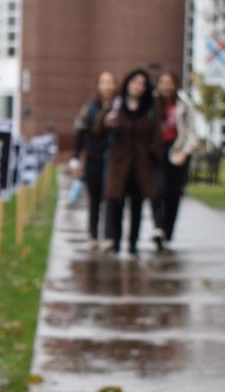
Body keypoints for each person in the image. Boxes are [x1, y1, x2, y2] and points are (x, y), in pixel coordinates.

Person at [101, 69, 163, 256]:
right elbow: (98, 130)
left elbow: (156, 136)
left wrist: (153, 156)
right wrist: (107, 121)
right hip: (119, 165)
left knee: (136, 206)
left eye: (142, 84)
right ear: (128, 83)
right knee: (116, 203)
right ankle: (115, 241)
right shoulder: (116, 106)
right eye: (135, 82)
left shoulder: (150, 110)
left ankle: (133, 243)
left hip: (141, 165)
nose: (138, 87)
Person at [150, 70, 199, 250]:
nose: (166, 86)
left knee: (173, 195)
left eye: (169, 82)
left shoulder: (184, 102)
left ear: (175, 84)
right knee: (157, 190)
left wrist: (184, 153)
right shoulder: (152, 102)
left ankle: (167, 232)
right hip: (157, 152)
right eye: (162, 82)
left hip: (177, 153)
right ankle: (158, 227)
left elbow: (192, 133)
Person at [69, 71, 117, 248]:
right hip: (93, 159)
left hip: (113, 161)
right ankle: (93, 235)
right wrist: (75, 157)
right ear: (98, 85)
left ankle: (109, 236)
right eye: (103, 82)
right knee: (94, 198)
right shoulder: (89, 107)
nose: (107, 86)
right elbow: (80, 133)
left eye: (110, 82)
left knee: (111, 198)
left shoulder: (120, 106)